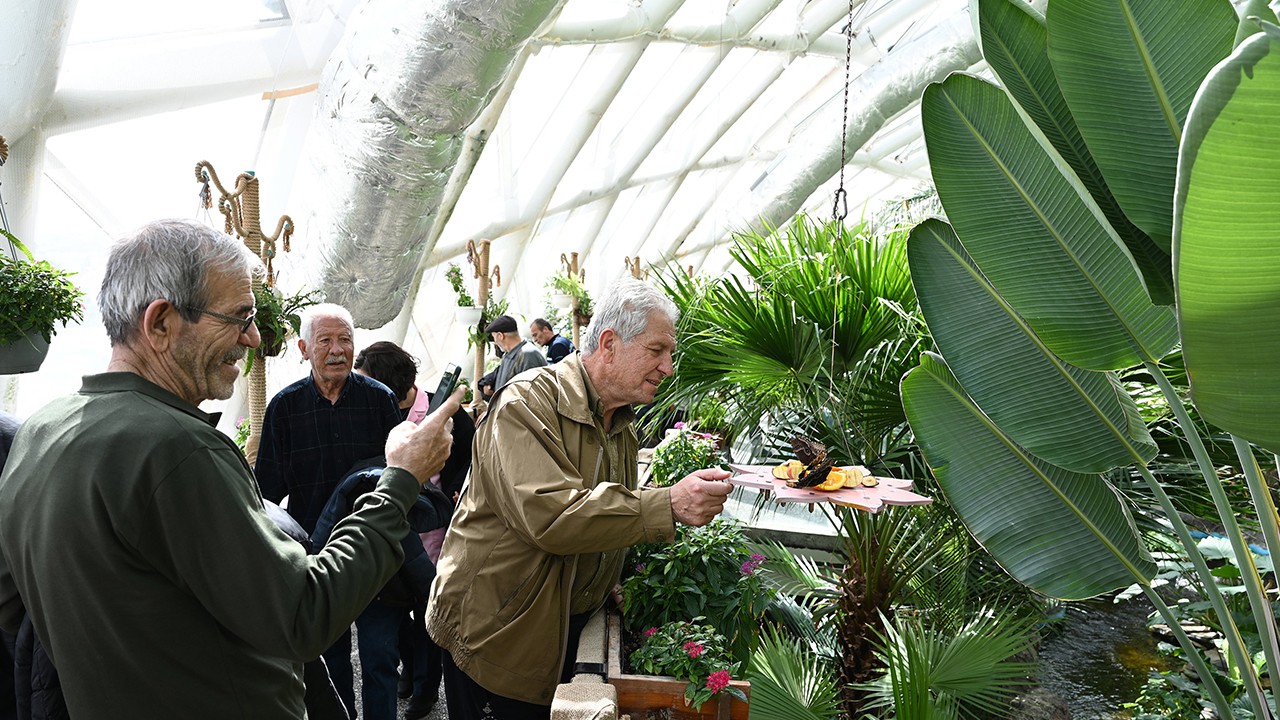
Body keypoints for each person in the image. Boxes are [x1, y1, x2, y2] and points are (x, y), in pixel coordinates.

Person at [0, 218, 461, 719]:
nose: (254, 337)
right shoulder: (178, 449)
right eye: (240, 318)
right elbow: (303, 615)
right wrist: (401, 479)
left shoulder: (39, 431)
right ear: (161, 323)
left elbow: (14, 608)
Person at [426, 277, 733, 719]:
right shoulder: (526, 404)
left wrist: (611, 576)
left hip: (549, 626)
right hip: (497, 633)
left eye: (671, 353)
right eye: (657, 351)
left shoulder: (619, 421)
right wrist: (667, 504)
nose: (668, 367)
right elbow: (553, 518)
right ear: (609, 344)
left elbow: (601, 507)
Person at [254, 304, 405, 718]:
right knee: (328, 662)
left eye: (345, 340)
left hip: (374, 552)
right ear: (304, 349)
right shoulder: (285, 407)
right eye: (325, 341)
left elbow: (399, 475)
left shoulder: (379, 400)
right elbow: (267, 492)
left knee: (380, 657)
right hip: (316, 557)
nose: (337, 350)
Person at [349, 342, 476, 719]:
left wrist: (452, 493)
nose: (363, 386)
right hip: (391, 530)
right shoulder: (374, 410)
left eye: (368, 379)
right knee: (392, 609)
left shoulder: (442, 410)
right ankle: (408, 671)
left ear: (387, 380)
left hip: (432, 533)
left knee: (427, 616)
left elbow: (470, 459)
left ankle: (425, 688)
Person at [483, 314, 547, 393]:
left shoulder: (528, 354)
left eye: (494, 337)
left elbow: (530, 393)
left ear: (500, 336)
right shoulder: (508, 354)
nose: (495, 342)